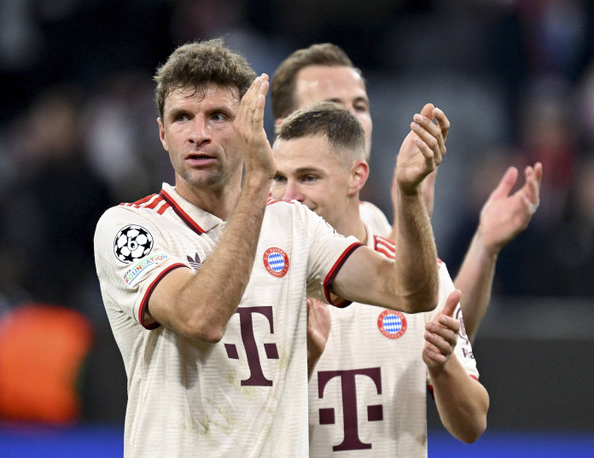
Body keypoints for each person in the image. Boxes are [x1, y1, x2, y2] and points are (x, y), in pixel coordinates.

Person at [93, 38, 445, 456]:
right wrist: (259, 181)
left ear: (248, 126)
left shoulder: (293, 224)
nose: (199, 134)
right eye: (182, 118)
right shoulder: (131, 227)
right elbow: (200, 316)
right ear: (162, 133)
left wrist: (407, 195)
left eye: (218, 116)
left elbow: (410, 292)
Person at [270, 42, 543, 341]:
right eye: (332, 107)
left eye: (360, 106)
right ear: (286, 128)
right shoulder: (261, 236)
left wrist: (484, 246)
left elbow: (428, 330)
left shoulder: (371, 220)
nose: (354, 120)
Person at [270, 101, 489, 455]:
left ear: (357, 177)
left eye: (309, 177)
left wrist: (444, 365)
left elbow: (473, 425)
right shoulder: (257, 282)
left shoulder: (422, 279)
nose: (290, 197)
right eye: (279, 178)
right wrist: (304, 360)